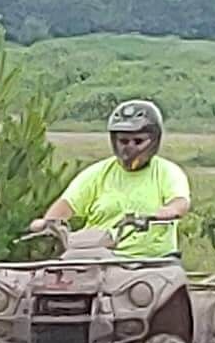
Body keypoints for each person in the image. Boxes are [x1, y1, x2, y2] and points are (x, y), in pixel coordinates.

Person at [32, 100, 190, 259]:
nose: (130, 147)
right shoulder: (96, 173)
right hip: (99, 257)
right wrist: (48, 223)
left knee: (155, 282)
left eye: (138, 141)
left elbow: (180, 202)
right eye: (123, 141)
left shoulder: (167, 172)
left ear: (154, 140)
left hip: (150, 262)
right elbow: (66, 204)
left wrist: (169, 211)